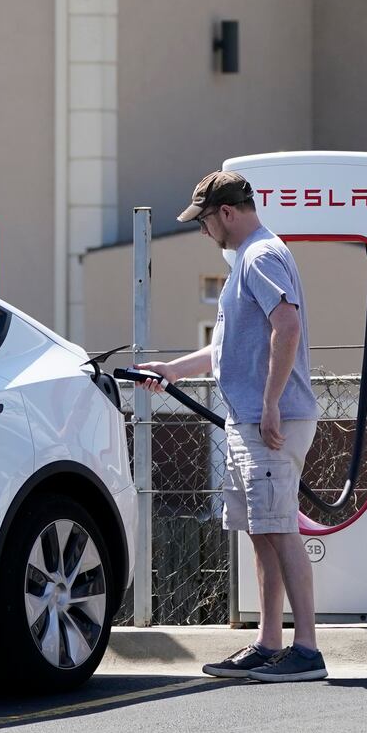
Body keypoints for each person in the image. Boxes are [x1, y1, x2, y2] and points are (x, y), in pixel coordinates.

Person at [136, 170, 327, 682]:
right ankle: (269, 644)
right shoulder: (248, 259)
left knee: (280, 529)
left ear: (225, 213)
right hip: (252, 418)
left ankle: (306, 650)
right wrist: (174, 371)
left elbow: (287, 325)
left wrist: (268, 403)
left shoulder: (261, 256)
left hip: (271, 420)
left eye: (203, 220)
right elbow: (229, 344)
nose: (202, 231)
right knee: (263, 531)